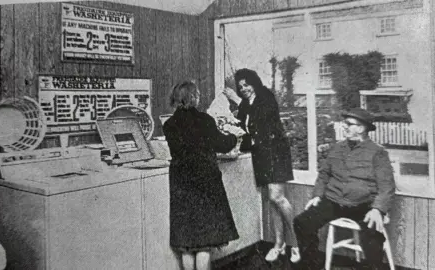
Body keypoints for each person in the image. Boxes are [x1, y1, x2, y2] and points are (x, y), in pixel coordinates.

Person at [293, 108, 396, 270]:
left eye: (349, 124)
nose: (344, 127)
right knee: (302, 222)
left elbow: (387, 186)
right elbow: (324, 174)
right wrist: (317, 195)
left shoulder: (377, 153)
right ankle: (312, 264)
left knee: (372, 236)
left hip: (363, 205)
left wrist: (378, 209)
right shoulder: (337, 148)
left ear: (361, 128)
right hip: (334, 202)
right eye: (344, 123)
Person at [223, 68, 300, 263]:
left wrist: (238, 101)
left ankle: (297, 243)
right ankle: (279, 243)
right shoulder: (245, 104)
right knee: (272, 200)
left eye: (246, 84)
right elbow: (243, 127)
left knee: (277, 197)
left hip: (276, 153)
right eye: (240, 87)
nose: (244, 89)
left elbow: (263, 119)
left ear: (254, 82)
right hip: (261, 156)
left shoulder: (266, 96)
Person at [163, 81, 240, 270]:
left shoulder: (169, 124)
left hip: (181, 185)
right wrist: (234, 136)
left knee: (187, 244)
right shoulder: (205, 120)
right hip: (206, 184)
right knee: (204, 243)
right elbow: (222, 144)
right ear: (194, 97)